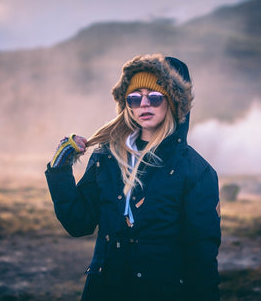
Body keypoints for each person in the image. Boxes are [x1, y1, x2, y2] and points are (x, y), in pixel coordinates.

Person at [45, 54, 221, 301]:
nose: (144, 104)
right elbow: (78, 222)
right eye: (135, 98)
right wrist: (60, 169)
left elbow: (202, 260)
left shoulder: (196, 172)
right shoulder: (107, 157)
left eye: (155, 97)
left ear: (174, 102)